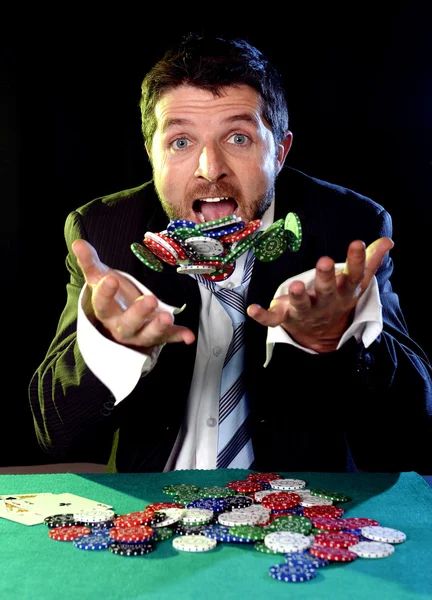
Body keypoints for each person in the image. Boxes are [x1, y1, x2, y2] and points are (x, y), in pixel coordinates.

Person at [29, 32, 431, 475]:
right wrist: (111, 347)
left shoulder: (349, 228)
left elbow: (411, 437)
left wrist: (341, 341)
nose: (210, 168)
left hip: (301, 517)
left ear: (278, 152)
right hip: (155, 513)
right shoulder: (105, 233)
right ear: (152, 156)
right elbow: (58, 438)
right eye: (181, 142)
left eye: (238, 138)